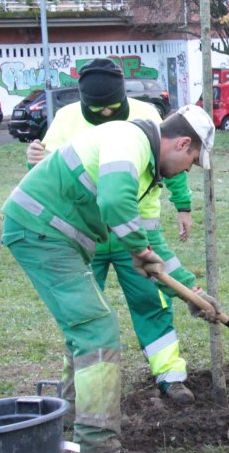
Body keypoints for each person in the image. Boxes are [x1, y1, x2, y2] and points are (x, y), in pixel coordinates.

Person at [3, 105, 217, 453]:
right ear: (182, 143)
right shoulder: (128, 140)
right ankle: (97, 445)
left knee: (87, 327)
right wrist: (138, 250)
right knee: (96, 329)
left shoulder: (144, 164)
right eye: (192, 160)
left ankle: (72, 416)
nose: (187, 170)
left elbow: (151, 238)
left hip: (49, 232)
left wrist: (190, 290)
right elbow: (115, 203)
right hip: (41, 230)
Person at [26, 59, 200, 406]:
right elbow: (50, 169)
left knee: (152, 301)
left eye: (113, 107)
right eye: (97, 109)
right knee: (85, 316)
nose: (106, 113)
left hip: (135, 228)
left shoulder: (148, 117)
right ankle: (76, 394)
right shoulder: (66, 119)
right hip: (82, 233)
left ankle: (170, 376)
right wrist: (32, 159)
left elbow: (173, 164)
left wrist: (182, 205)